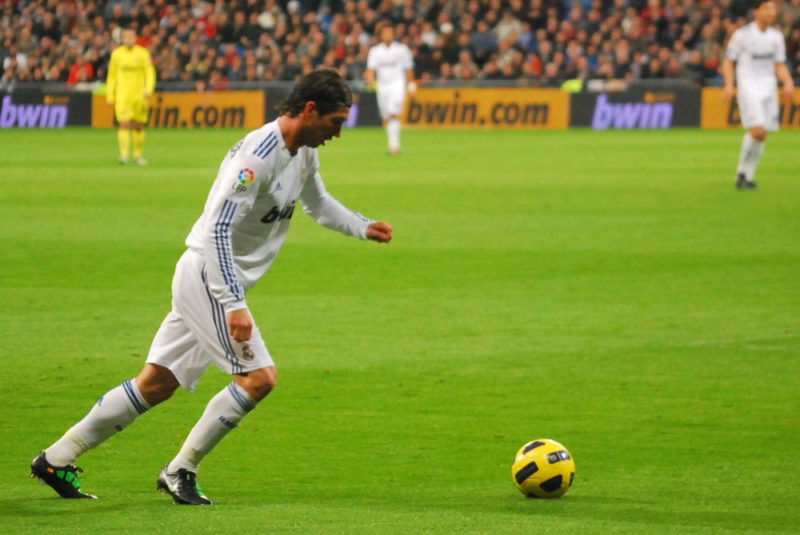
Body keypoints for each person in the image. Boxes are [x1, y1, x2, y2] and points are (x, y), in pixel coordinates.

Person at [30, 69, 393, 505]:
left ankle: (56, 458)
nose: (337, 133)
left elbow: (317, 203)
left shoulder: (303, 153)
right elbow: (218, 230)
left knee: (156, 384)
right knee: (258, 378)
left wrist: (361, 226)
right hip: (210, 276)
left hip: (212, 280)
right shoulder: (256, 155)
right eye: (334, 122)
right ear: (309, 110)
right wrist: (233, 303)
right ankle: (180, 469)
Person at [721, 0, 794, 190]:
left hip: (768, 87)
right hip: (748, 86)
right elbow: (728, 60)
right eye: (767, 8)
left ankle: (747, 176)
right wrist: (729, 84)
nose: (772, 12)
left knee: (762, 135)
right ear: (756, 12)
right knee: (758, 130)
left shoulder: (776, 36)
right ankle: (740, 173)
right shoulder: (742, 35)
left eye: (774, 9)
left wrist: (787, 82)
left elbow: (779, 64)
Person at [107, 27, 156, 165]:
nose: (129, 40)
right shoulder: (116, 54)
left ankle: (138, 155)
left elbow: (150, 73)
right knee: (123, 124)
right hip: (122, 95)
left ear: (135, 38)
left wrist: (148, 89)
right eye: (126, 37)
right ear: (122, 39)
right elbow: (111, 76)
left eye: (131, 37)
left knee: (138, 125)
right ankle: (123, 155)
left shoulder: (143, 53)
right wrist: (110, 95)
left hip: (139, 95)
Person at [365, 25, 416, 155]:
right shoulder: (375, 51)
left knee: (394, 113)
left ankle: (394, 145)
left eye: (389, 33)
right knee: (386, 116)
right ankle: (392, 143)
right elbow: (371, 69)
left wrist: (411, 85)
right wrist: (370, 80)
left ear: (394, 35)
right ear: (381, 36)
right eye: (384, 33)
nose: (387, 36)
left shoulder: (402, 50)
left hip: (397, 84)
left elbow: (408, 68)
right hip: (382, 86)